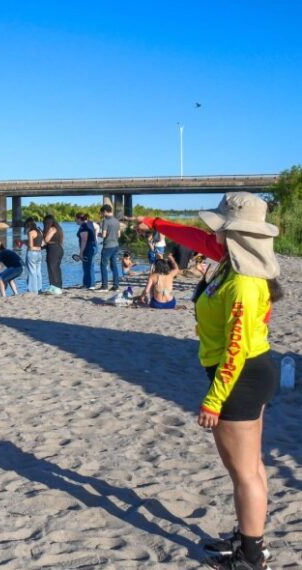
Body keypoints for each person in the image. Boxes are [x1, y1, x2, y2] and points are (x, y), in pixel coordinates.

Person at [134, 192, 282, 570]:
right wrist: (157, 224)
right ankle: (250, 540)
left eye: (219, 228)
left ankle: (251, 556)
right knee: (251, 466)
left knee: (244, 472)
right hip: (249, 373)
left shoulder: (244, 283)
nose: (211, 234)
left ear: (235, 234)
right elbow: (197, 239)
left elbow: (236, 351)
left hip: (239, 377)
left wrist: (214, 399)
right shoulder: (233, 261)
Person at [98, 204, 122, 291]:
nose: (102, 215)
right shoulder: (117, 221)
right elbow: (119, 235)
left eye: (102, 213)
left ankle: (104, 286)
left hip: (108, 246)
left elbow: (103, 235)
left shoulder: (105, 221)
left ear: (105, 211)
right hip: (116, 246)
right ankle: (116, 286)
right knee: (114, 266)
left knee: (103, 266)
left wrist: (97, 233)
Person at [42, 214, 64, 294]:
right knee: (56, 268)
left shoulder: (52, 229)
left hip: (53, 250)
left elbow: (47, 240)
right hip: (58, 248)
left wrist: (42, 236)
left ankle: (55, 287)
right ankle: (58, 286)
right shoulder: (58, 228)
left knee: (52, 268)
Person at [76, 213, 97, 289]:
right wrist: (96, 238)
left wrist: (81, 253)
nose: (75, 221)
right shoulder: (90, 222)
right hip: (93, 246)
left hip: (88, 248)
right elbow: (97, 227)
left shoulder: (84, 226)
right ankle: (86, 284)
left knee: (88, 266)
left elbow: (84, 240)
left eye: (76, 219)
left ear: (79, 219)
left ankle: (91, 285)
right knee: (87, 265)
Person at [23, 217, 43, 294]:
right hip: (39, 253)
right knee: (38, 272)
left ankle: (33, 291)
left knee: (32, 272)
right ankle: (39, 289)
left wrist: (23, 242)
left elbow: (31, 246)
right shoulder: (40, 231)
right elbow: (41, 243)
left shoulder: (30, 232)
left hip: (32, 253)